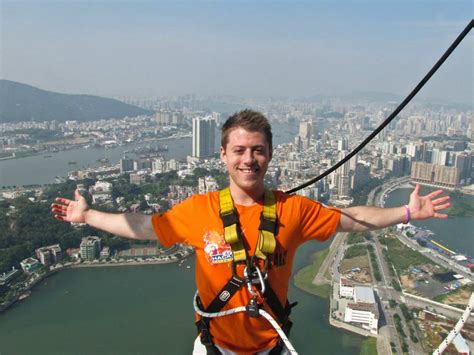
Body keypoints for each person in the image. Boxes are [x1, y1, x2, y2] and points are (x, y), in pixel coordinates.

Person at [51, 109, 450, 354]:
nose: (249, 159)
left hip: (269, 347)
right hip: (213, 348)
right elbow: (143, 227)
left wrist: (405, 212)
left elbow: (350, 218)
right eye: (239, 150)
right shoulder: (198, 210)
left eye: (258, 150)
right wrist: (89, 217)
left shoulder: (293, 210)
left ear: (270, 155)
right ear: (222, 155)